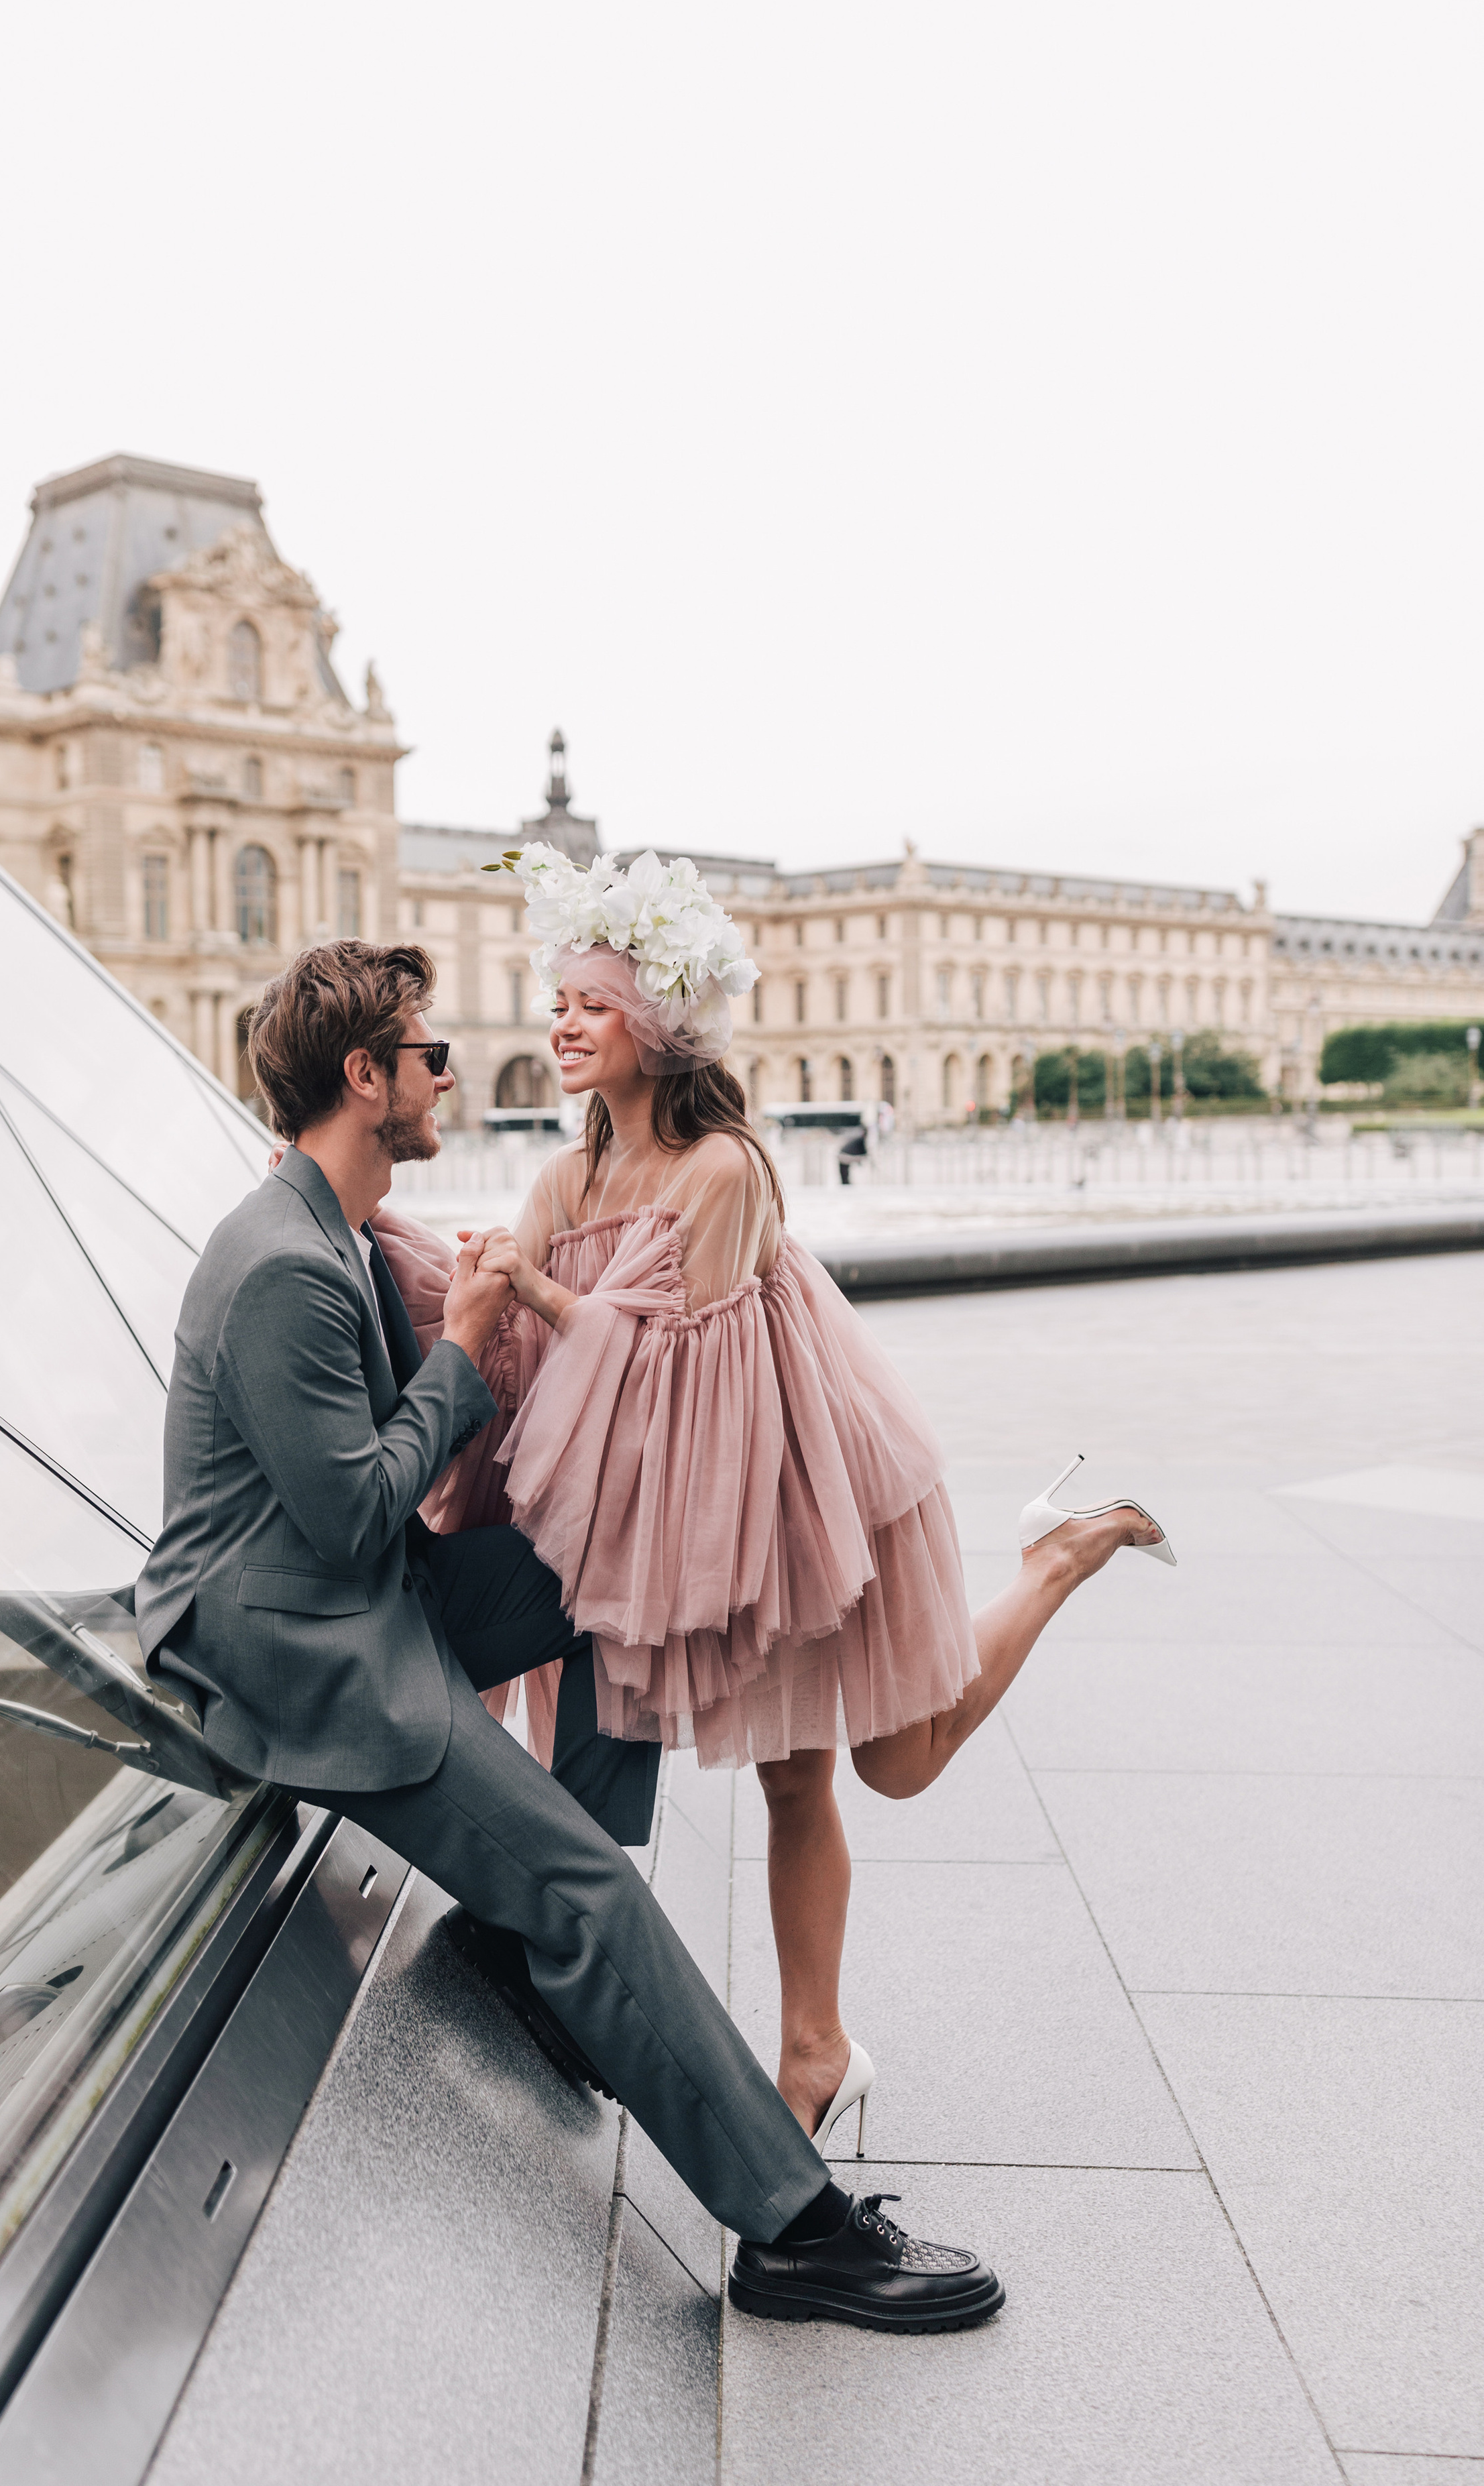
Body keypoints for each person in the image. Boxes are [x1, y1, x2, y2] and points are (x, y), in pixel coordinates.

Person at [135, 937, 1007, 2332]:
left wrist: (493, 1317)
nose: (451, 1067)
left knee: (611, 1556)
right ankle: (795, 2228)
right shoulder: (283, 1269)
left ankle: (549, 1876)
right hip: (298, 1659)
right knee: (588, 1902)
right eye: (425, 1054)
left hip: (342, 1600)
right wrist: (467, 1348)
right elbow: (360, 1514)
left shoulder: (330, 1230)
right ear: (366, 1080)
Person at [374, 849, 1171, 2161]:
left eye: (591, 1002)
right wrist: (426, 1274)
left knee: (890, 1767)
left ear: (663, 1024)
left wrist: (529, 1289)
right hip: (691, 1510)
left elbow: (668, 1355)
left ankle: (1056, 1556)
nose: (561, 1024)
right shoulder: (563, 1187)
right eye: (557, 1001)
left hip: (798, 1491)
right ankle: (816, 2050)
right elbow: (535, 1366)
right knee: (800, 1781)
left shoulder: (724, 1169)